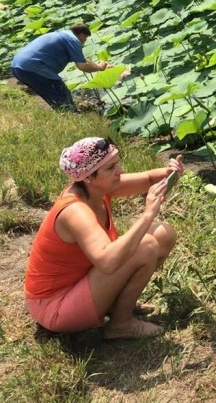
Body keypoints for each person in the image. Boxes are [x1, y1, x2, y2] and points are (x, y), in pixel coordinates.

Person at [24, 137, 183, 339]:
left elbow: (149, 179)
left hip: (79, 283)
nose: (121, 171)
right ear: (89, 177)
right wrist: (147, 214)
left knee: (163, 234)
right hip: (55, 306)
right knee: (146, 246)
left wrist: (169, 174)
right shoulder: (75, 211)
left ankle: (115, 304)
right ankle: (120, 324)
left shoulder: (96, 187)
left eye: (117, 163)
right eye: (111, 168)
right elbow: (108, 262)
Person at [10, 23, 109, 110]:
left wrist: (98, 65)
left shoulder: (63, 35)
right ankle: (70, 115)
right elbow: (82, 66)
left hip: (17, 67)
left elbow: (83, 60)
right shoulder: (73, 40)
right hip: (31, 67)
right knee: (59, 89)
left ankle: (67, 114)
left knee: (52, 94)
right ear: (82, 35)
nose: (84, 42)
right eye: (86, 38)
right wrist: (99, 68)